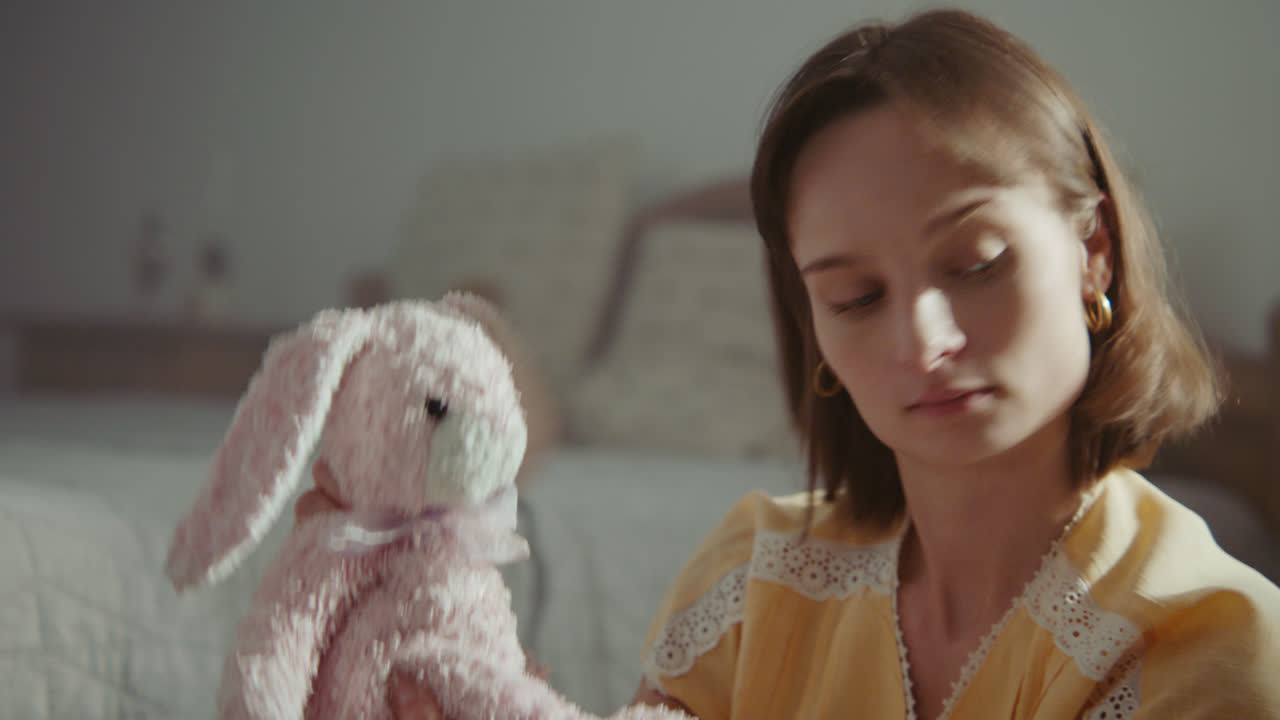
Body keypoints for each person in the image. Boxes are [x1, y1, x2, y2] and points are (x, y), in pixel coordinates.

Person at [305, 7, 1280, 719]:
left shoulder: (1200, 644)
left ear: (1092, 253)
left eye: (974, 263)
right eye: (854, 297)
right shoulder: (753, 579)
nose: (919, 341)